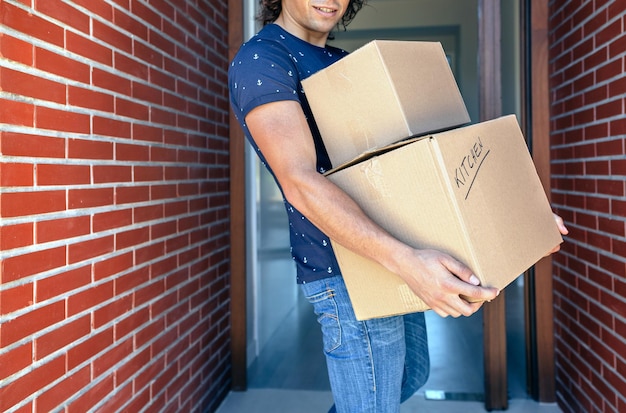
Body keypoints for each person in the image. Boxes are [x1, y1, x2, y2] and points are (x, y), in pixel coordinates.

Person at [228, 1, 569, 411]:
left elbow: (412, 159)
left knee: (413, 373)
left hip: (390, 250)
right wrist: (407, 261)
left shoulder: (341, 63)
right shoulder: (263, 59)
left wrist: (518, 214)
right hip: (346, 268)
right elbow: (300, 180)